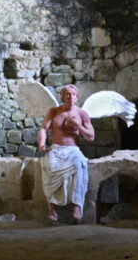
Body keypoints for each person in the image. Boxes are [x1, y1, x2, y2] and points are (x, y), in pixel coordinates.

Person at [37, 84, 95, 224]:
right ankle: (52, 209)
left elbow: (91, 136)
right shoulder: (53, 112)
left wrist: (78, 126)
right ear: (62, 97)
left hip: (73, 150)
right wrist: (42, 145)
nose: (70, 96)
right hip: (56, 149)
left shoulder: (82, 114)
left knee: (78, 165)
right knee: (49, 166)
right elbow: (44, 129)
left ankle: (77, 207)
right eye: (67, 94)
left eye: (73, 94)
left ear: (77, 97)